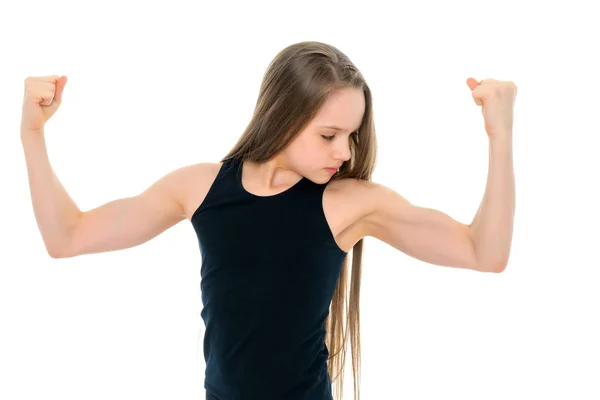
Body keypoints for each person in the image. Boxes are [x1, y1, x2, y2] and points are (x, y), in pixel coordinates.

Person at [20, 41, 516, 400]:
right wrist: (32, 134)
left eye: (352, 135)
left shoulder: (349, 204)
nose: (345, 152)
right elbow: (69, 236)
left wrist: (500, 134)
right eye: (329, 135)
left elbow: (484, 252)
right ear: (284, 116)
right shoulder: (201, 188)